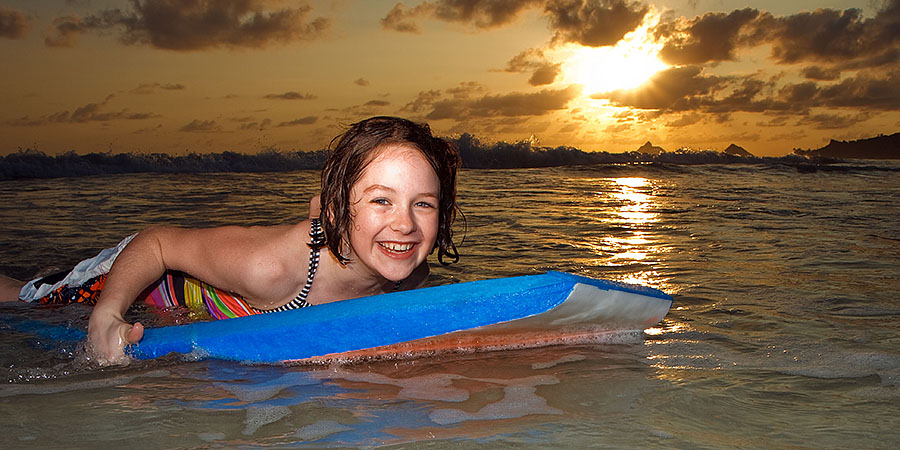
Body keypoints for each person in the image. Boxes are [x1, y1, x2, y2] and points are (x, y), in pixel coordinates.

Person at [0, 116, 462, 364]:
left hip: (193, 303)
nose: (405, 224)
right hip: (140, 273)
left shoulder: (409, 270)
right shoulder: (271, 267)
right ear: (337, 209)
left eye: (423, 203)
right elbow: (158, 242)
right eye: (382, 201)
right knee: (25, 298)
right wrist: (108, 313)